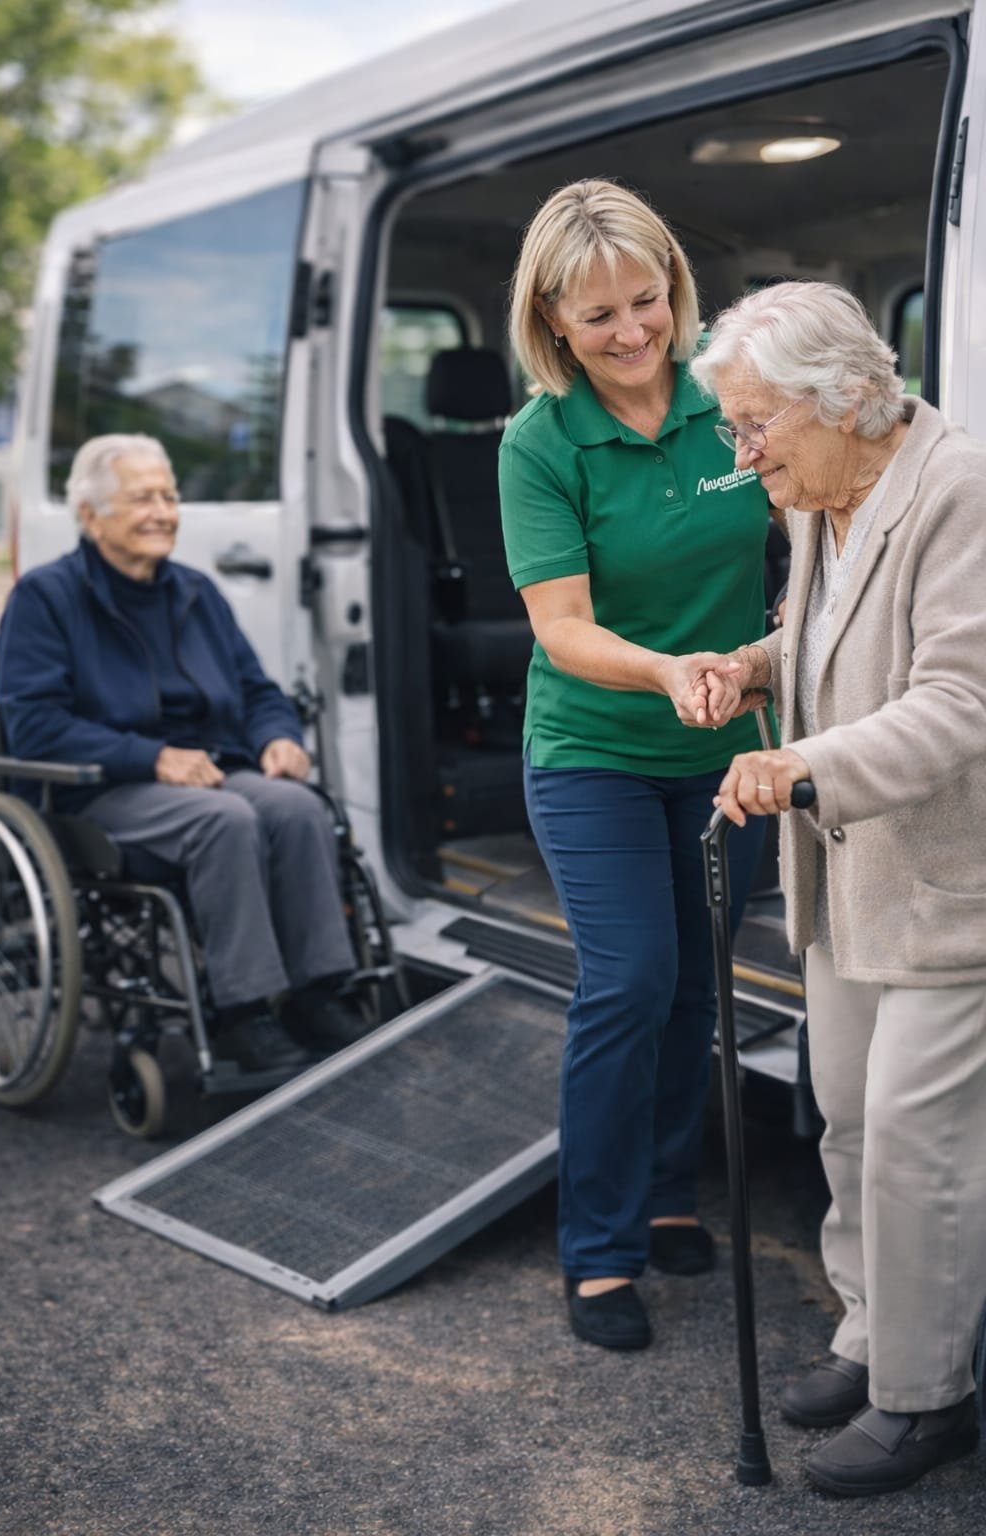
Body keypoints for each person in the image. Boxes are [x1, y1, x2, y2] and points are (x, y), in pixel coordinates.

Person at [690, 280, 986, 1495]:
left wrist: (801, 765)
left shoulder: (957, 491)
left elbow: (959, 700)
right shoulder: (822, 493)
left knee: (916, 1140)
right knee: (849, 1118)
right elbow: (820, 635)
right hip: (846, 874)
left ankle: (927, 1397)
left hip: (947, 882)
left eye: (755, 423)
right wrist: (751, 667)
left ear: (847, 397)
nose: (743, 453)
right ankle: (871, 1338)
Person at [498, 179, 770, 1350]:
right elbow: (561, 627)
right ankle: (599, 1252)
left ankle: (667, 1195)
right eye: (597, 314)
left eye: (646, 301)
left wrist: (759, 659)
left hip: (730, 746)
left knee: (696, 983)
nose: (629, 333)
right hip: (595, 751)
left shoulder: (734, 395)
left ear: (676, 289)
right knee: (629, 982)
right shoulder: (539, 442)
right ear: (552, 320)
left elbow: (828, 505)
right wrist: (666, 672)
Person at [0, 433, 361, 1072]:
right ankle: (242, 1011)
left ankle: (316, 993)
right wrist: (152, 757)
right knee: (225, 821)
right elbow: (35, 726)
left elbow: (257, 690)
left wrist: (277, 736)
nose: (163, 512)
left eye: (169, 497)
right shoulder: (46, 599)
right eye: (143, 499)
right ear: (90, 516)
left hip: (208, 770)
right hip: (99, 787)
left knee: (297, 807)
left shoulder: (196, 592)